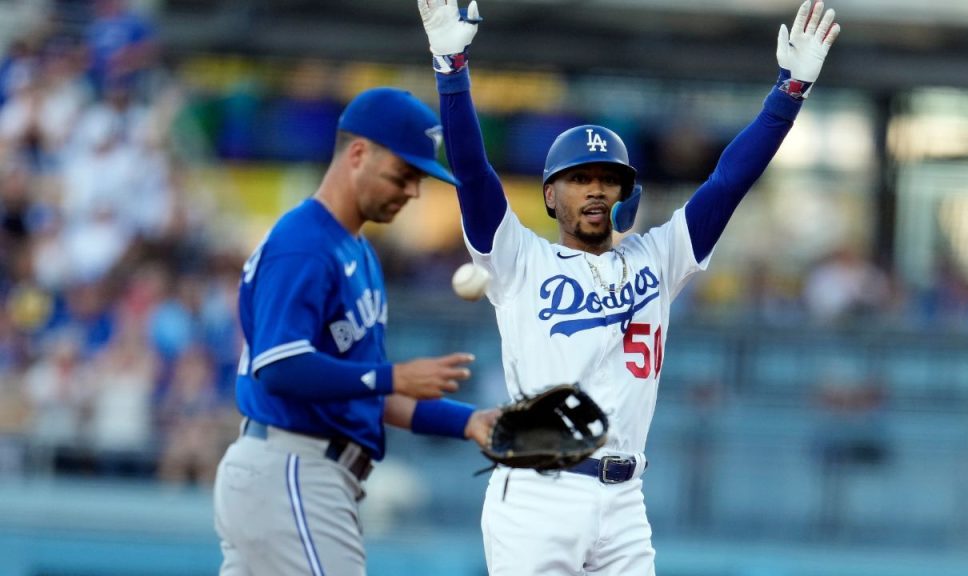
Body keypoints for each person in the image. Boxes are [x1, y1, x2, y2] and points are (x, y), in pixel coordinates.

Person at [417, 1, 840, 574]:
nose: (595, 190)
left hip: (624, 499)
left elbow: (729, 180)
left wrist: (789, 92)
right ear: (549, 195)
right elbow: (471, 172)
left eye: (609, 180)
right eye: (579, 179)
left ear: (625, 194)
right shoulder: (518, 259)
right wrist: (452, 67)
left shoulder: (661, 256)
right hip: (539, 495)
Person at [212, 87, 500, 576]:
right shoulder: (303, 244)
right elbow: (280, 368)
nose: (412, 191)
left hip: (300, 475)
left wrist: (466, 421)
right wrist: (391, 377)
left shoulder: (358, 251)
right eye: (403, 175)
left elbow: (358, 390)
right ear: (358, 153)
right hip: (293, 467)